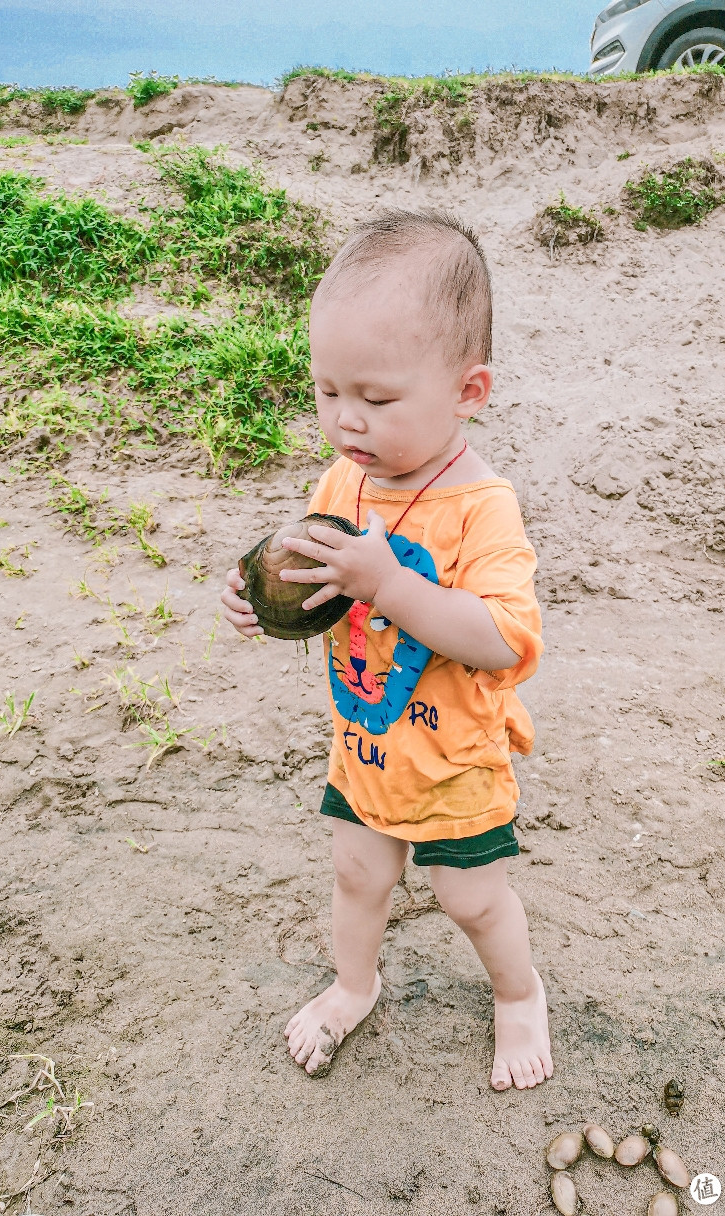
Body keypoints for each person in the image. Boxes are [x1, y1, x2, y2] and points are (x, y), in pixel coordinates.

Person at [221, 209, 552, 1091]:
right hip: (367, 745)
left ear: (468, 391)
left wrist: (391, 586)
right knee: (356, 874)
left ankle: (519, 996)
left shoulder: (484, 511)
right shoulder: (344, 482)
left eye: (376, 399)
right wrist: (267, 601)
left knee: (471, 899)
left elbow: (505, 642)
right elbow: (322, 589)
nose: (346, 421)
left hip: (453, 760)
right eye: (329, 391)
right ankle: (351, 986)